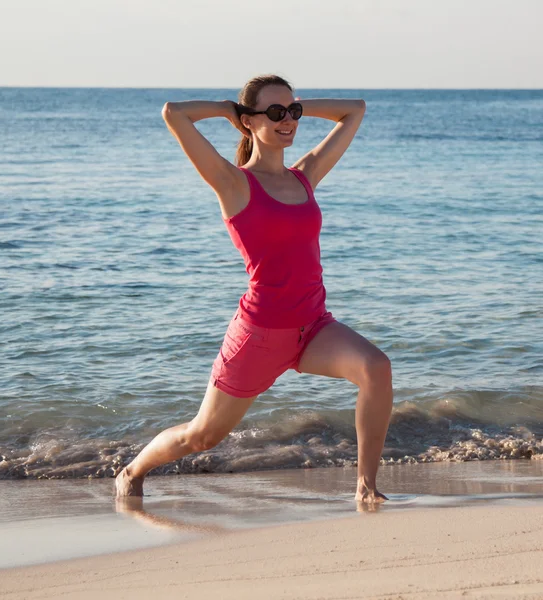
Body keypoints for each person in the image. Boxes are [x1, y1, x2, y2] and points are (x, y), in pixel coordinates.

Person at [115, 74, 393, 504]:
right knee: (201, 436)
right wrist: (230, 110)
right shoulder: (233, 183)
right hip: (261, 334)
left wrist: (294, 106)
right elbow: (175, 114)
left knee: (376, 368)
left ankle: (366, 488)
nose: (289, 121)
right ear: (249, 121)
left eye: (293, 113)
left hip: (314, 327)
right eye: (276, 112)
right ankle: (132, 470)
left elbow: (354, 108)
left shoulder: (305, 175)